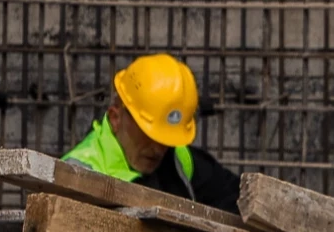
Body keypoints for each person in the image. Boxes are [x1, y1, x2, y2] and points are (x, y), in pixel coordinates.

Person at [61, 53, 241, 213]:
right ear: (116, 118)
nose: (159, 148)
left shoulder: (178, 157)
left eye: (167, 138)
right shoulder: (76, 175)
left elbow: (234, 199)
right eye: (149, 135)